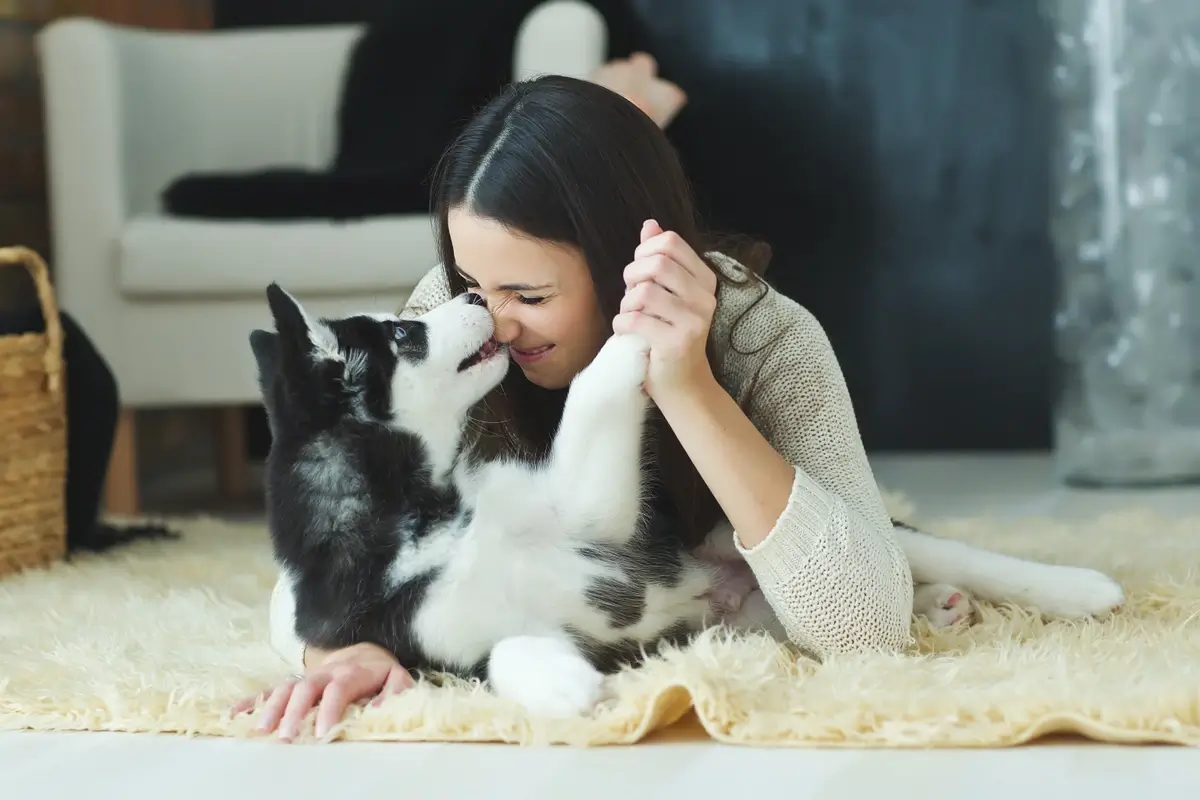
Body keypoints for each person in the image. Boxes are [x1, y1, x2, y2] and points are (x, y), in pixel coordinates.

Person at [240, 70, 915, 742]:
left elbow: (868, 628)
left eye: (530, 297)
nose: (491, 321)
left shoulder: (763, 336)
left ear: (622, 259)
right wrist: (342, 650)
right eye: (471, 281)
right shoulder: (456, 324)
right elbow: (323, 553)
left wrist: (685, 385)